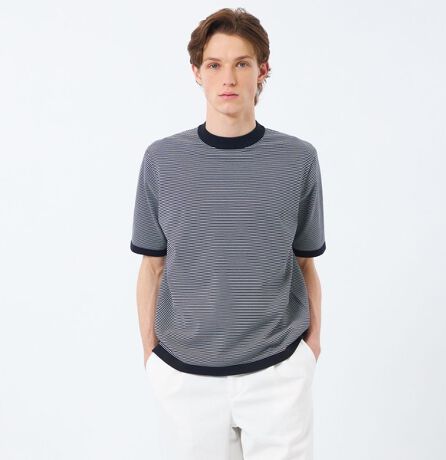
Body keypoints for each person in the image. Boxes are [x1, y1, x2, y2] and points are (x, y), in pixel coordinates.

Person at [130, 7, 326, 460]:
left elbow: (305, 263)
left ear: (263, 71)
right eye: (215, 65)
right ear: (196, 73)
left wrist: (311, 348)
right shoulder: (162, 160)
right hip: (185, 377)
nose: (229, 79)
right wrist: (151, 355)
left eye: (242, 63)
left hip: (278, 373)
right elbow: (152, 266)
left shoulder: (298, 159)